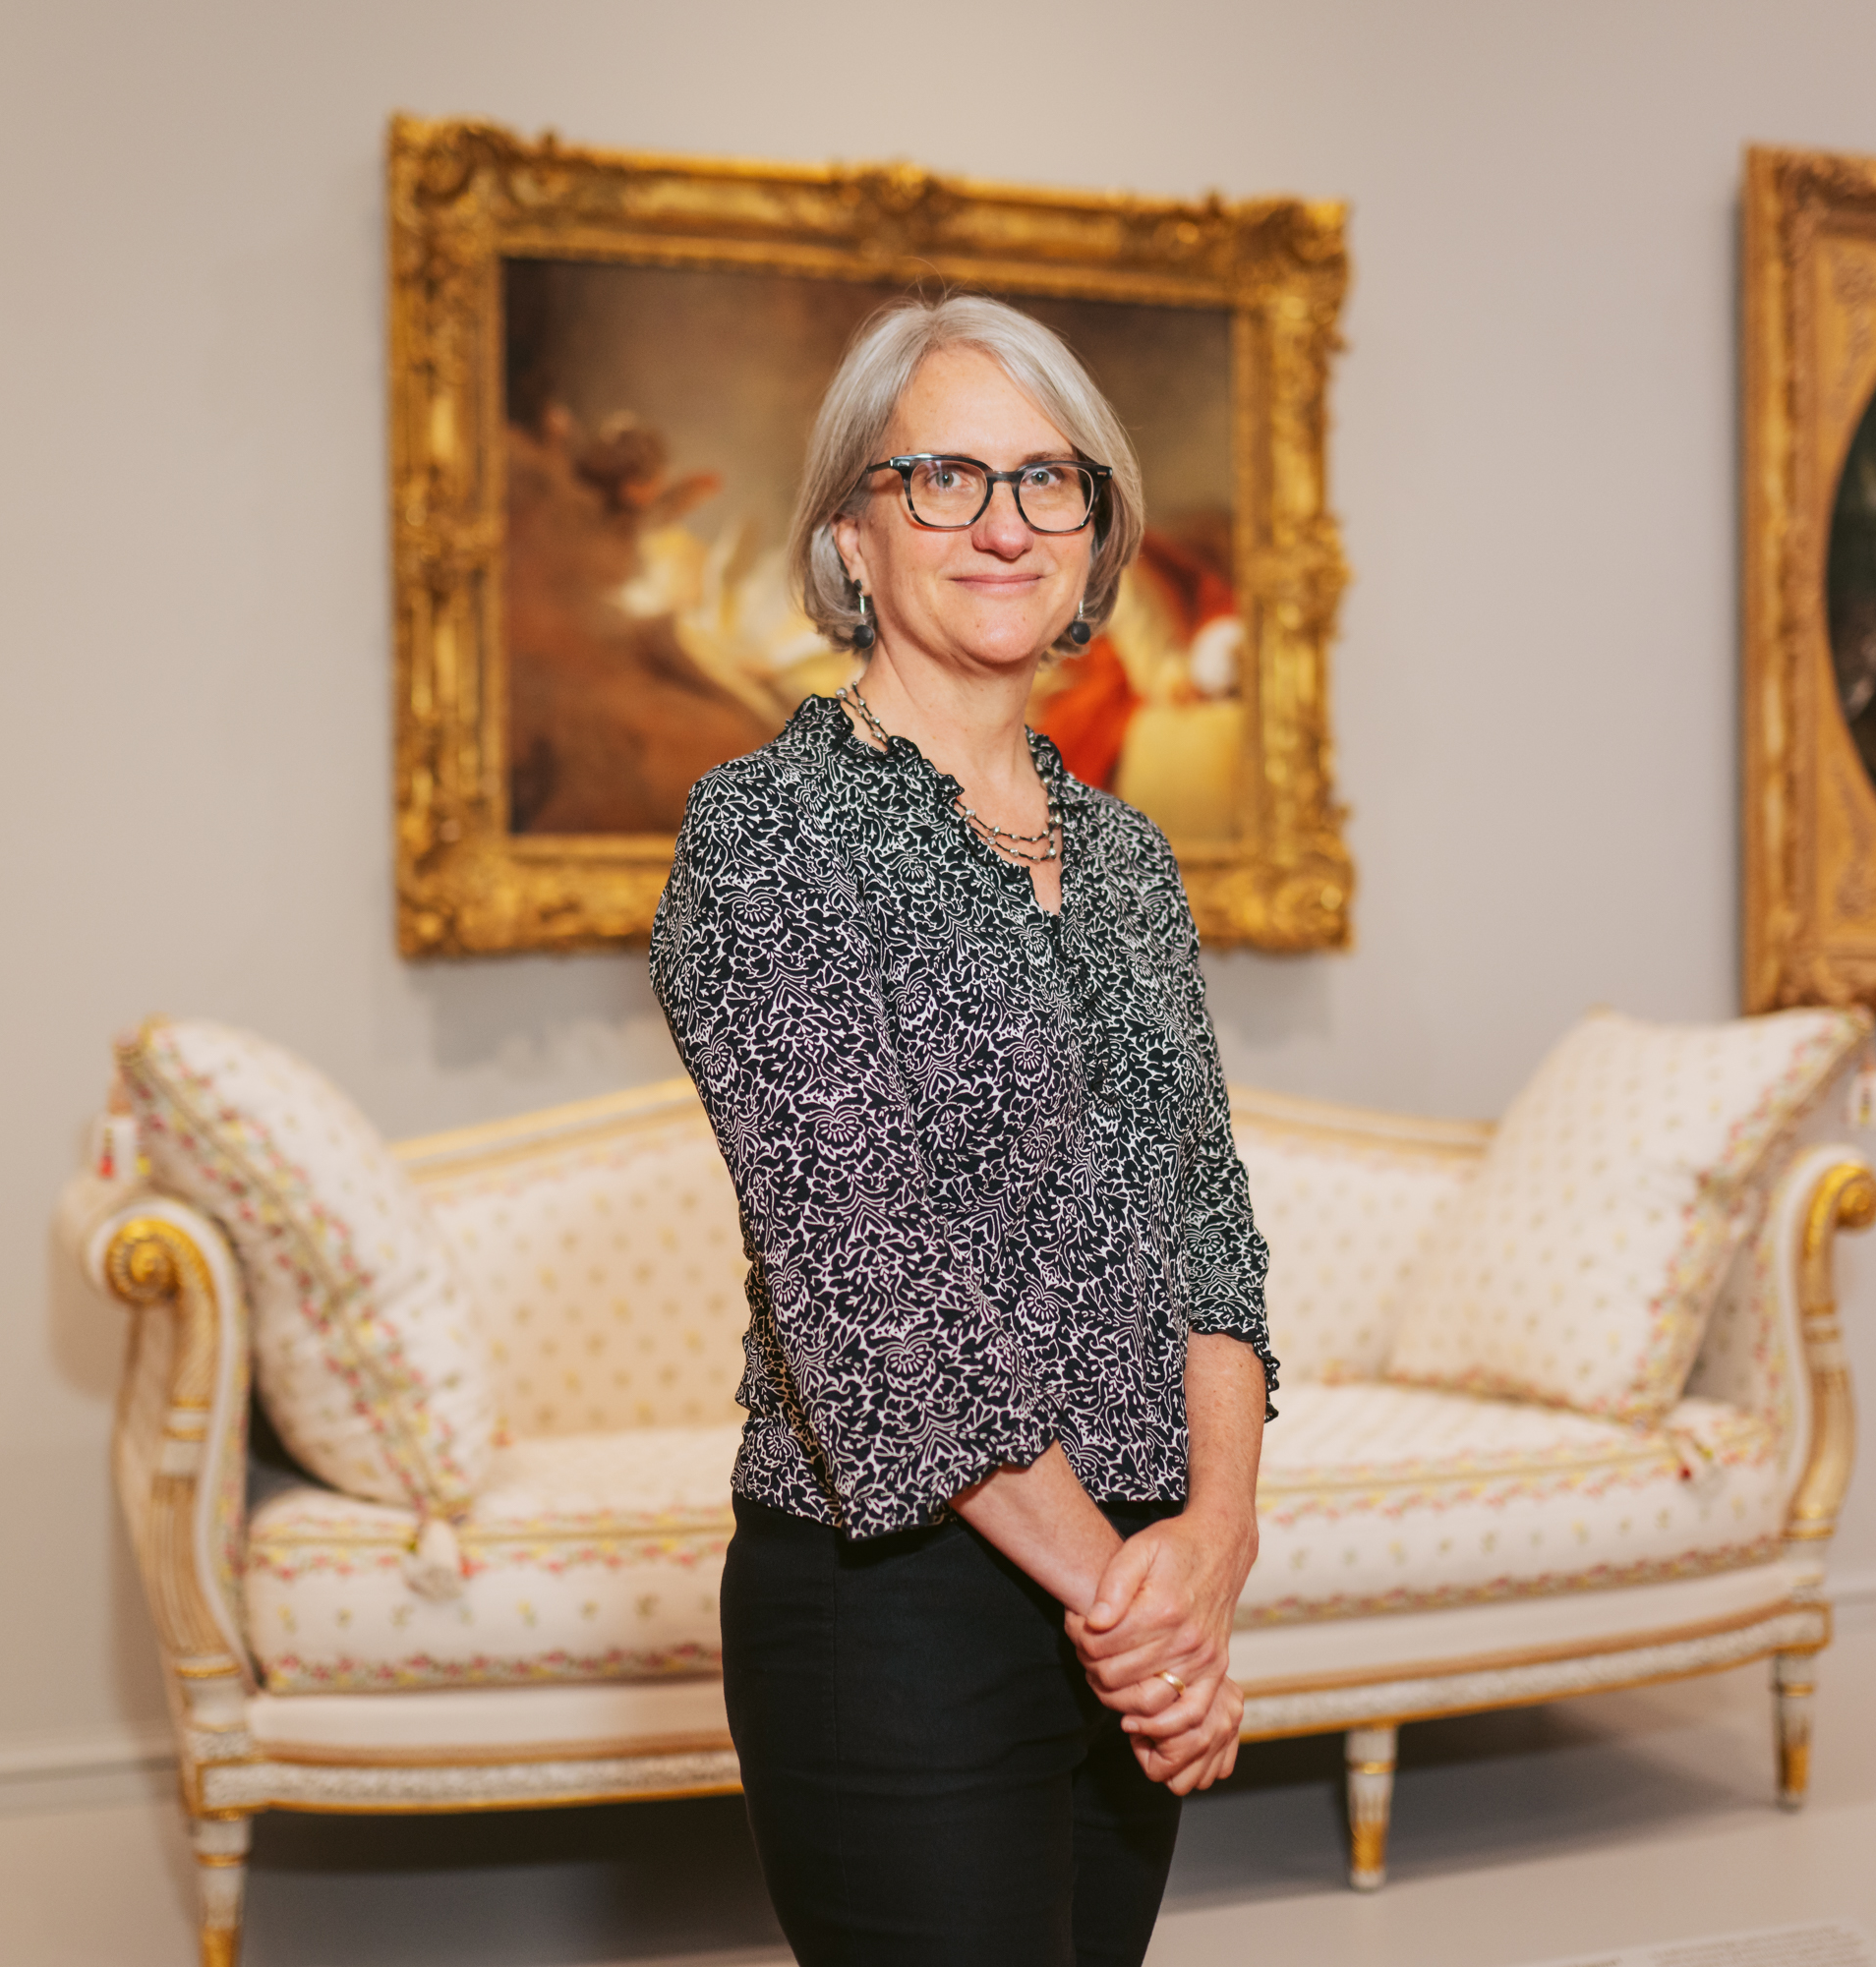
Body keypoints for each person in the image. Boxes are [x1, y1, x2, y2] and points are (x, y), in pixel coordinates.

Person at [650, 293, 1275, 1967]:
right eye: (942, 477)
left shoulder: (1131, 860)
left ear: (1096, 535)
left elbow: (1209, 1227)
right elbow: (881, 1300)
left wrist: (1212, 1550)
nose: (1003, 523)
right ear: (853, 529)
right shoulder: (764, 836)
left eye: (1047, 481)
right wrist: (1137, 1621)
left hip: (1135, 1577)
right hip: (895, 1615)